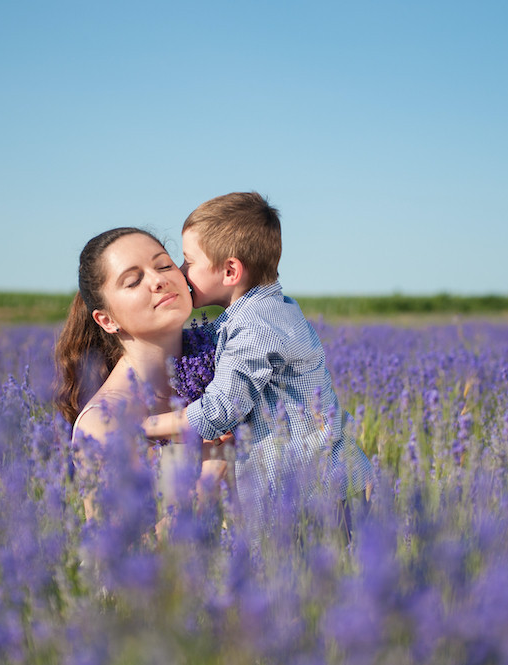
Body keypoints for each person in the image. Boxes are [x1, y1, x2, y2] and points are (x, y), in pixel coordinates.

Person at [142, 192, 373, 538]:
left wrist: (142, 427)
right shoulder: (266, 310)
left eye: (189, 261)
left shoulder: (256, 327)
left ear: (230, 271)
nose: (181, 270)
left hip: (315, 498)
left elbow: (219, 410)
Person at [53, 227, 230, 525]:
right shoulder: (104, 421)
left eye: (164, 265)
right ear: (107, 320)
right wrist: (209, 481)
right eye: (133, 281)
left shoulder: (229, 368)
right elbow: (121, 547)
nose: (158, 280)